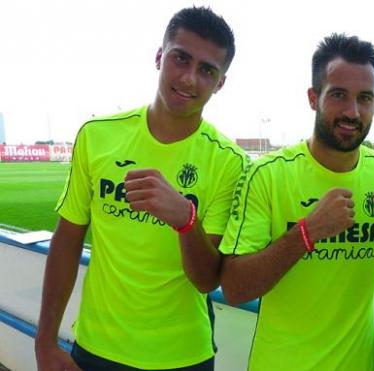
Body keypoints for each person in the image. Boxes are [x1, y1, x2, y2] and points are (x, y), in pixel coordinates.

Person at [35, 6, 247, 371]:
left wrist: (185, 219)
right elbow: (67, 239)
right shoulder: (97, 136)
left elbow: (206, 279)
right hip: (96, 348)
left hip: (183, 356)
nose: (190, 78)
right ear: (159, 57)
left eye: (207, 70)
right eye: (181, 59)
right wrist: (45, 341)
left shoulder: (230, 161)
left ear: (220, 83)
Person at [218, 33, 374, 371]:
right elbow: (233, 288)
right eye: (338, 95)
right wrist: (307, 233)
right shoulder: (267, 175)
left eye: (364, 98)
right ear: (312, 97)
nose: (352, 111)